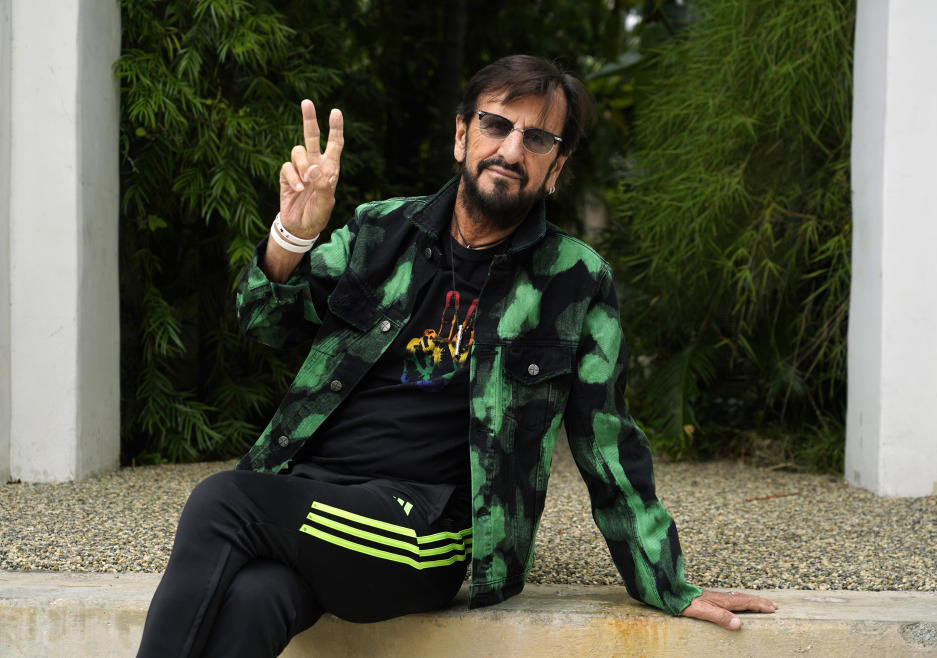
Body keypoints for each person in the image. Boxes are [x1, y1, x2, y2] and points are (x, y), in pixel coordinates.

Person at [137, 55, 776, 657]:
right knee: (257, 597)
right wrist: (293, 235)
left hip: (422, 531)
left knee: (223, 501)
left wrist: (666, 581)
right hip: (313, 501)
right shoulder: (382, 232)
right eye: (497, 125)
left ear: (557, 168)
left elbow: (606, 442)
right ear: (462, 136)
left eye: (537, 139)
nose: (510, 149)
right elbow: (262, 319)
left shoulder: (574, 282)